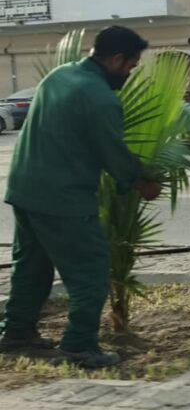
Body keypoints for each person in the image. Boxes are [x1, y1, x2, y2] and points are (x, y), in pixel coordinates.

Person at [0, 26, 161, 368]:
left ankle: (16, 334)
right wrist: (140, 181)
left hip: (25, 190)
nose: (129, 74)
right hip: (63, 198)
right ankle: (78, 346)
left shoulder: (59, 76)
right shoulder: (99, 96)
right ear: (116, 59)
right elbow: (112, 152)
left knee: (31, 268)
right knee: (91, 271)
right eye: (131, 66)